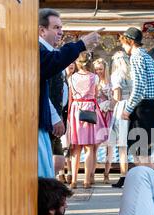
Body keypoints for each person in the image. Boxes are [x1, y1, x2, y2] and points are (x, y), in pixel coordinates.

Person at [38, 8, 100, 178]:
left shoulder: (47, 52)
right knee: (44, 174)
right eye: (56, 28)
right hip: (41, 122)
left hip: (46, 122)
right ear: (42, 31)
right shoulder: (39, 51)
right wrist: (81, 44)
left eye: (61, 28)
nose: (60, 32)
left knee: (49, 169)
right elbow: (52, 64)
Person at [119, 27, 154, 169]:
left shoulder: (137, 56)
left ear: (130, 42)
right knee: (144, 152)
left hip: (145, 108)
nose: (122, 45)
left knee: (140, 153)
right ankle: (150, 185)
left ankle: (152, 187)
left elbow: (139, 88)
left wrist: (127, 109)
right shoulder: (148, 57)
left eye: (123, 42)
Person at [67, 52, 108, 189]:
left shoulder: (71, 78)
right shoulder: (94, 77)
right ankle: (86, 181)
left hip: (76, 109)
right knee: (89, 147)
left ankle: (73, 180)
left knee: (75, 148)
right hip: (90, 108)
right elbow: (95, 94)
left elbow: (71, 96)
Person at [110, 51, 134, 188]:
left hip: (121, 108)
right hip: (132, 106)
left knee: (122, 145)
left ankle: (123, 175)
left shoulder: (116, 75)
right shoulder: (132, 75)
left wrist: (108, 106)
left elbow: (117, 96)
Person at [93, 58, 114, 184]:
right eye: (96, 69)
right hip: (97, 115)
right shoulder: (93, 80)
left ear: (105, 69)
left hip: (109, 114)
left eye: (100, 69)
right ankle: (92, 173)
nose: (98, 71)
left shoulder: (111, 81)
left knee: (109, 146)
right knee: (95, 145)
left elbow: (115, 98)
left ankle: (106, 174)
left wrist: (107, 104)